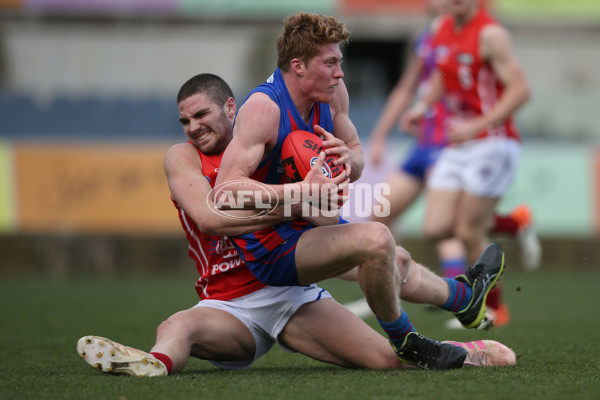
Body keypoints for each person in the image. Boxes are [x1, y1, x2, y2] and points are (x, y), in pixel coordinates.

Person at [76, 73, 516, 377]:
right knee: (178, 327)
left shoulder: (278, 144)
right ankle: (154, 364)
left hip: (291, 288)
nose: (193, 127)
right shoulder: (182, 157)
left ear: (232, 107)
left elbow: (322, 217)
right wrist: (298, 200)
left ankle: (467, 332)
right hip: (228, 303)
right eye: (185, 121)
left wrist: (336, 177)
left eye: (202, 115)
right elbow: (211, 218)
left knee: (387, 312)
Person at [213, 11, 505, 370]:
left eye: (340, 62)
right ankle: (407, 340)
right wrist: (300, 192)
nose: (340, 72)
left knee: (392, 260)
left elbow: (356, 155)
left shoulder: (332, 94)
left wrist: (349, 161)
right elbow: (225, 192)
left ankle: (466, 297)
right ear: (298, 66)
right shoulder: (263, 108)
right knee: (377, 239)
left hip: (308, 227)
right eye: (330, 62)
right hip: (270, 245)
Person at [368, 0, 541, 328]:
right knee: (435, 228)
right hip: (457, 143)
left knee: (467, 230)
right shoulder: (439, 29)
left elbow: (520, 90)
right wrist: (423, 106)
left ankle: (492, 309)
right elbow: (441, 77)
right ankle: (513, 223)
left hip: (492, 143)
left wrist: (478, 125)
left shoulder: (490, 34)